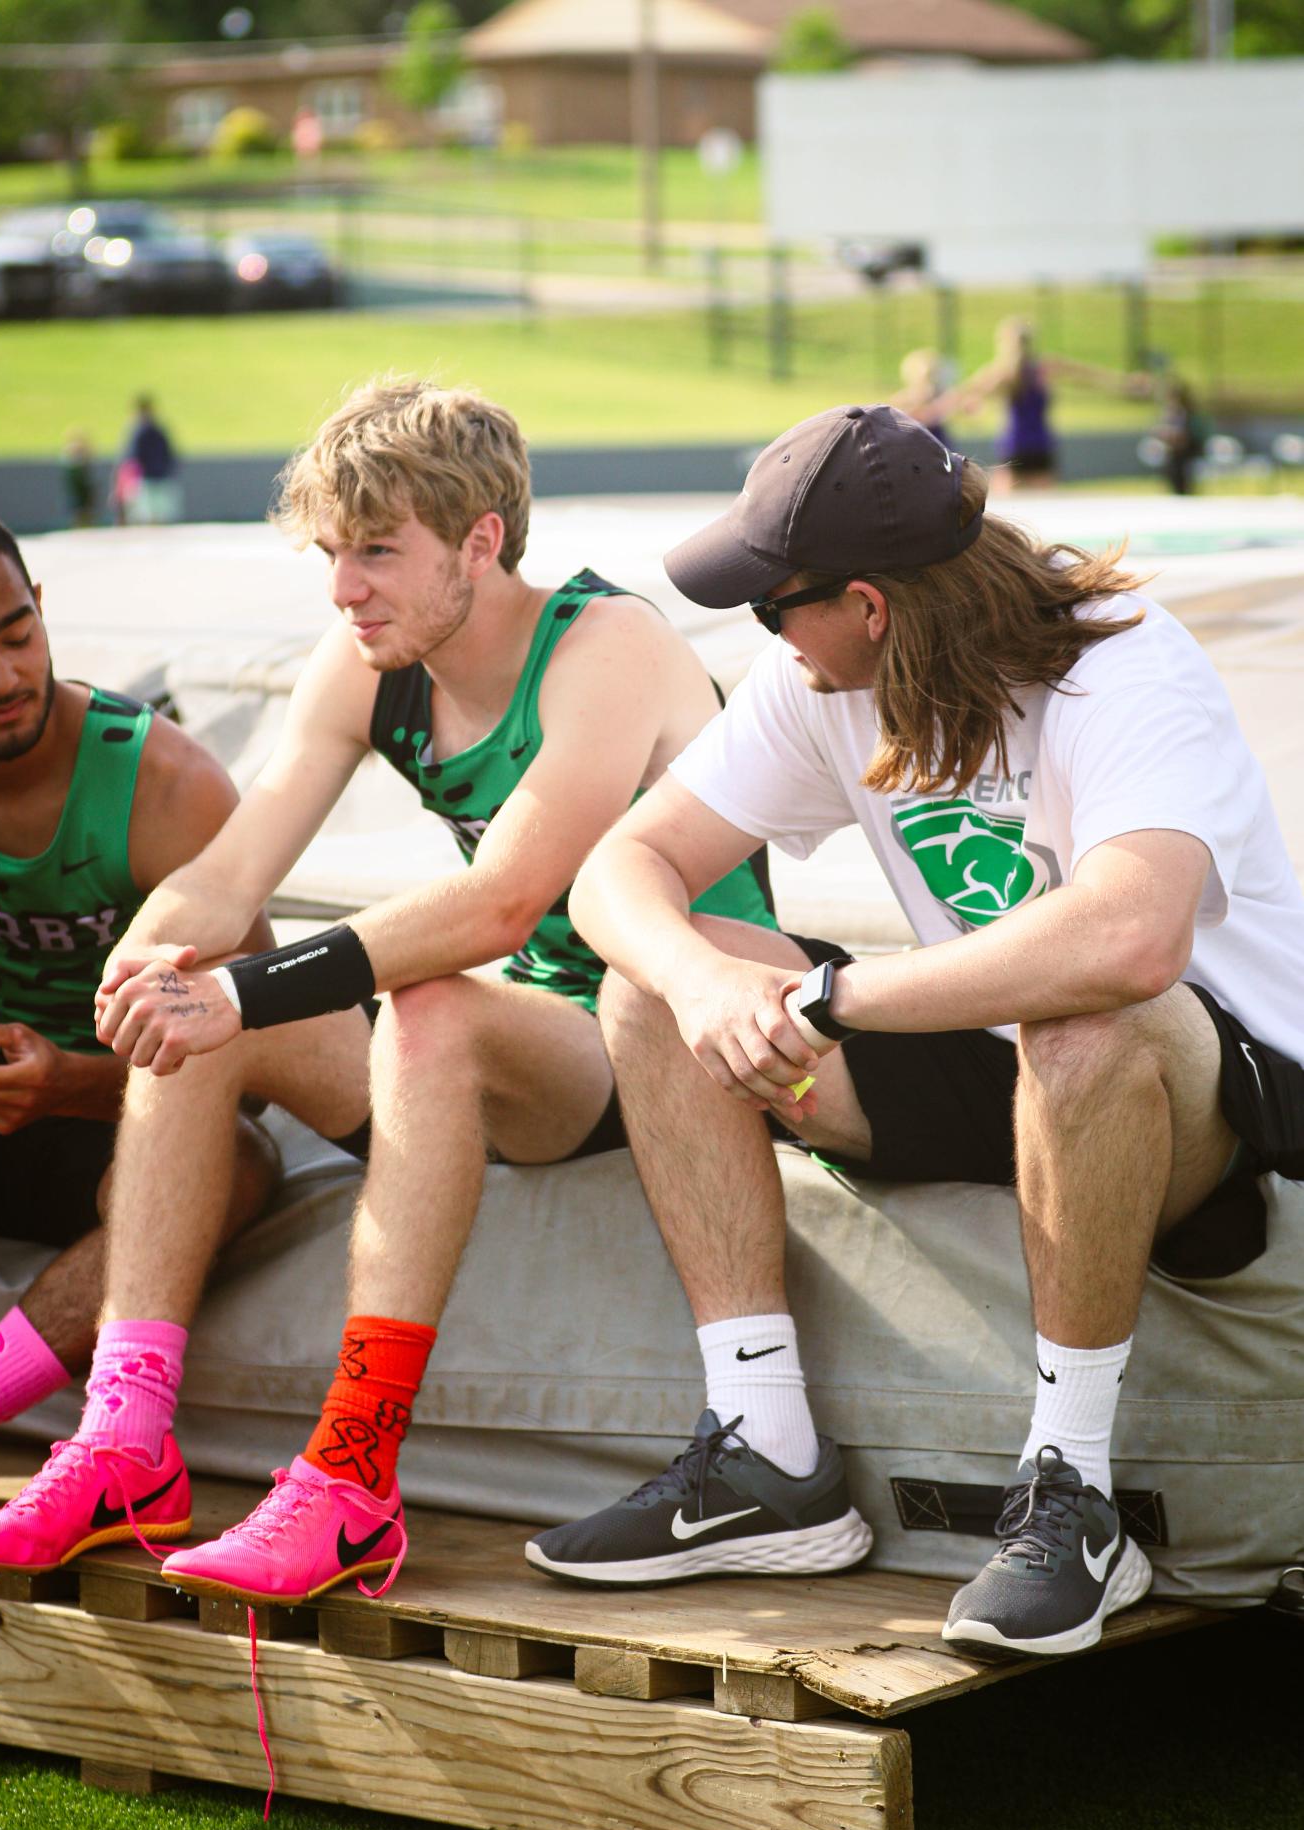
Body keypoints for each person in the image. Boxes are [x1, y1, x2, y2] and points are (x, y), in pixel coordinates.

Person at [0, 377, 777, 1605]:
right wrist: (148, 958)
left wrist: (253, 992)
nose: (345, 589)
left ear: (481, 541)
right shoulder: (365, 660)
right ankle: (123, 1447)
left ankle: (349, 1479)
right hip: (531, 1046)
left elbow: (500, 905)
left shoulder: (608, 648)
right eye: (334, 555)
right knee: (204, 987)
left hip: (654, 1042)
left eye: (377, 554)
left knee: (433, 1001)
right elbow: (228, 870)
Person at [536, 403, 1304, 1660]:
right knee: (650, 991)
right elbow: (617, 869)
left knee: (1078, 1022)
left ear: (869, 604)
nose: (763, 638)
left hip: (1213, 1086)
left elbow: (1130, 940)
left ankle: (1072, 1497)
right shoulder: (816, 677)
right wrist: (695, 982)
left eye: (771, 605)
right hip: (996, 1052)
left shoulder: (1122, 657)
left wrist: (830, 1002)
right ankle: (766, 1455)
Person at [0, 501, 285, 1451]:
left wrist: (71, 1080)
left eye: (15, 635)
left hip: (109, 1114)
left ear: (42, 606)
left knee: (239, 1164)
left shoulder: (169, 787)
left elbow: (263, 1053)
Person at [959, 317, 1150, 493]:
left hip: (1014, 446)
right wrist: (1124, 382)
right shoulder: (1043, 368)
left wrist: (973, 406)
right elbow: (1087, 376)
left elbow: (966, 395)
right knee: (1047, 509)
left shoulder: (1001, 373)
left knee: (1005, 514)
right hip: (1041, 445)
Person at [123, 396, 181, 526]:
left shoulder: (147, 430)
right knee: (152, 516)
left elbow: (133, 457)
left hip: (153, 478)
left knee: (155, 516)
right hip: (150, 478)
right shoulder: (147, 430)